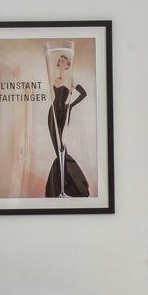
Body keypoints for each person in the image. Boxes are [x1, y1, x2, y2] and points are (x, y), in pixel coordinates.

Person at [42, 42, 90, 197]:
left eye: (63, 60)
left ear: (68, 64)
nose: (60, 62)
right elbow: (55, 97)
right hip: (53, 112)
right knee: (58, 148)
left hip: (63, 112)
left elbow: (83, 94)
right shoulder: (56, 79)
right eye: (59, 60)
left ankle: (69, 185)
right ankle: (61, 188)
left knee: (62, 147)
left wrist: (72, 105)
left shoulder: (70, 78)